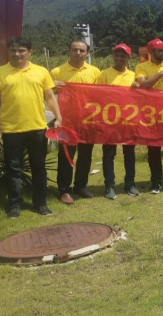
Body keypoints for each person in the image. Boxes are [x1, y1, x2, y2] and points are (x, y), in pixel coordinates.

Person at [0, 37, 62, 218]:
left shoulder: (41, 71)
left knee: (39, 167)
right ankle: (14, 205)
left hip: (37, 128)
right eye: (13, 50)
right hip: (11, 129)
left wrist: (58, 117)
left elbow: (50, 97)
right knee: (13, 169)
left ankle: (40, 204)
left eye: (21, 50)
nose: (17, 53)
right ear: (8, 51)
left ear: (29, 52)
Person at [51, 40, 101, 204]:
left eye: (82, 50)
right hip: (67, 121)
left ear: (87, 53)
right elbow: (45, 93)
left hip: (88, 121)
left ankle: (80, 186)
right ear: (69, 51)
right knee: (66, 156)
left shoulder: (95, 72)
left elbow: (101, 95)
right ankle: (64, 190)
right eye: (75, 50)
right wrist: (52, 86)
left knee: (85, 156)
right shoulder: (57, 72)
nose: (78, 53)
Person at [135, 38, 163, 194]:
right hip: (150, 115)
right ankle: (156, 182)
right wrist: (161, 73)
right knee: (153, 150)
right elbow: (143, 85)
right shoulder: (141, 67)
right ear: (151, 52)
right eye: (160, 50)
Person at [97, 43, 140, 199]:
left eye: (123, 56)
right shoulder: (104, 74)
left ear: (128, 58)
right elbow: (97, 96)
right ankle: (109, 185)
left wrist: (138, 87)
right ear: (113, 56)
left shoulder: (133, 75)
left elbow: (140, 98)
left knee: (129, 153)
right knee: (109, 154)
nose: (119, 58)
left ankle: (130, 184)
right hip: (110, 121)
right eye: (117, 55)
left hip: (128, 121)